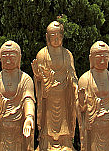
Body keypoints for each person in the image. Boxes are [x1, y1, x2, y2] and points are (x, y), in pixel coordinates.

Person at [0, 41, 36, 151]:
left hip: (19, 126)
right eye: (5, 57)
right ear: (0, 58)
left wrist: (29, 117)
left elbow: (28, 100)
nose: (8, 61)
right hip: (1, 128)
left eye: (12, 57)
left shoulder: (25, 79)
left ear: (19, 57)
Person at [32, 21, 77, 151]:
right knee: (47, 122)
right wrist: (38, 77)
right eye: (53, 35)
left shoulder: (67, 54)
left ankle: (65, 142)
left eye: (58, 35)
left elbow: (72, 74)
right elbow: (40, 78)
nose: (56, 39)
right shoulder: (42, 54)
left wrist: (75, 87)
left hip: (64, 95)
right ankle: (46, 143)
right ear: (47, 37)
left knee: (64, 121)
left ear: (62, 36)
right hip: (48, 96)